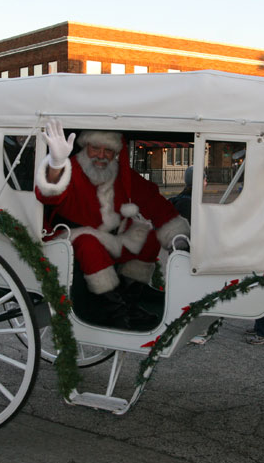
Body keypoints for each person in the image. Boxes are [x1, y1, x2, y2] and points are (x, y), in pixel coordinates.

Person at [35, 119, 190, 329]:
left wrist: (176, 234)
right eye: (95, 148)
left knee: (147, 238)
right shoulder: (71, 168)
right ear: (86, 147)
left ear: (115, 152)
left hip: (110, 236)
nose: (101, 155)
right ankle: (112, 310)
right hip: (68, 236)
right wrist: (56, 164)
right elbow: (48, 195)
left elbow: (153, 202)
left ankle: (129, 303)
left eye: (107, 150)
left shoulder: (120, 174)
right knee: (90, 243)